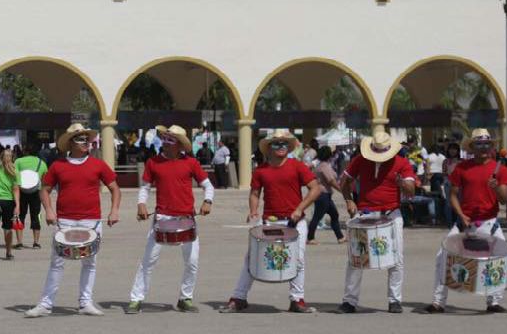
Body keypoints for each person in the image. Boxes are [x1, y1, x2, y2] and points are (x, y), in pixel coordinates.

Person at [220, 129, 322, 314]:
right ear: (268, 148)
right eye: (276, 144)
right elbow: (254, 193)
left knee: (298, 260)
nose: (281, 147)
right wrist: (253, 211)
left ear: (289, 147)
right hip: (269, 222)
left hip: (295, 222)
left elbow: (315, 188)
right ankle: (238, 298)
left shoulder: (297, 166)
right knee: (251, 259)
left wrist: (300, 209)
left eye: (284, 144)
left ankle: (297, 300)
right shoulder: (261, 171)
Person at [25, 124, 122, 318]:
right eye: (80, 139)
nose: (86, 142)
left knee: (90, 263)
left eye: (87, 138)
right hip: (65, 222)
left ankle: (85, 302)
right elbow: (44, 190)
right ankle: (46, 304)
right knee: (57, 262)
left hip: (92, 222)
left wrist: (114, 211)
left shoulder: (98, 164)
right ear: (70, 143)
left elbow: (115, 188)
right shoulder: (58, 166)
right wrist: (49, 211)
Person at [126, 125, 214, 314]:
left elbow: (208, 186)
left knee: (192, 261)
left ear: (180, 145)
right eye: (165, 139)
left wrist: (207, 201)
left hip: (186, 218)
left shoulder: (191, 163)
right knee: (148, 261)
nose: (165, 143)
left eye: (170, 140)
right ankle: (136, 299)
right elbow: (145, 188)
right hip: (161, 217)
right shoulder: (153, 162)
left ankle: (185, 298)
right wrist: (141, 204)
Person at [426, 128, 507, 314]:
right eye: (479, 144)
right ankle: (437, 302)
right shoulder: (462, 168)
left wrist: (496, 187)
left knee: (499, 259)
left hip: (489, 223)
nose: (483, 148)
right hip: (464, 223)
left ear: (491, 146)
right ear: (472, 147)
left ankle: (494, 302)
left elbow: (504, 199)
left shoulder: (501, 169)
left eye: (487, 144)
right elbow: (453, 195)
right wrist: (461, 214)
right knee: (442, 256)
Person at [335, 130, 415, 314]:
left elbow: (411, 191)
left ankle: (394, 300)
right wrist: (348, 199)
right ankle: (349, 301)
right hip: (366, 212)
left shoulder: (402, 163)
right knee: (356, 257)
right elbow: (344, 181)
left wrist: (401, 182)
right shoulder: (361, 160)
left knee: (397, 259)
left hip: (391, 213)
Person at [307, 146, 345, 245]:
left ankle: (340, 237)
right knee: (317, 216)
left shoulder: (321, 165)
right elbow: (331, 181)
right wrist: (342, 190)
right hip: (322, 195)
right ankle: (310, 238)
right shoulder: (324, 166)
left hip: (326, 195)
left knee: (334, 214)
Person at [14, 145, 48, 249]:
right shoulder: (41, 163)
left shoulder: (18, 161)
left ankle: (19, 242)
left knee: (20, 216)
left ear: (24, 151)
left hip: (21, 192)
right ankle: (36, 242)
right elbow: (44, 179)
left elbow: (14, 175)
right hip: (36, 192)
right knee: (36, 216)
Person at [441, 143, 463, 227]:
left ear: (458, 150)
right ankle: (449, 222)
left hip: (459, 183)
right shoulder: (446, 161)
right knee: (448, 203)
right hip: (448, 182)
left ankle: (459, 221)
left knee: (460, 202)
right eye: (451, 149)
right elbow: (443, 173)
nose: (452, 151)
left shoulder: (461, 161)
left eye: (455, 149)